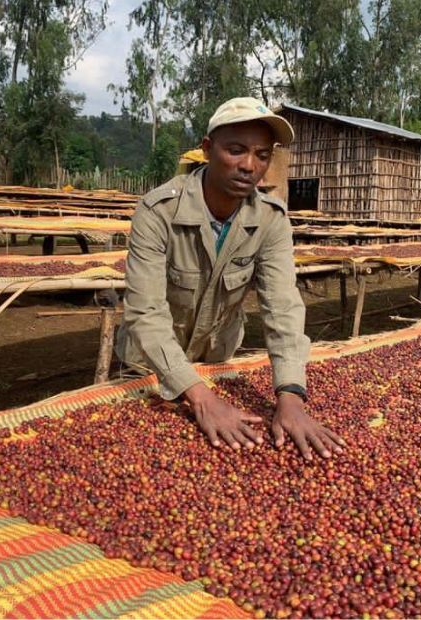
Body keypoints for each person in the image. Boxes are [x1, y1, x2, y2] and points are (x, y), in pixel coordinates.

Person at [118, 97, 346, 461]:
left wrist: (290, 397)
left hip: (217, 358)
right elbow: (145, 312)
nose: (249, 166)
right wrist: (202, 398)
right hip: (149, 365)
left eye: (262, 154)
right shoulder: (158, 211)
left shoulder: (271, 218)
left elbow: (283, 307)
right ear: (207, 149)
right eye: (236, 150)